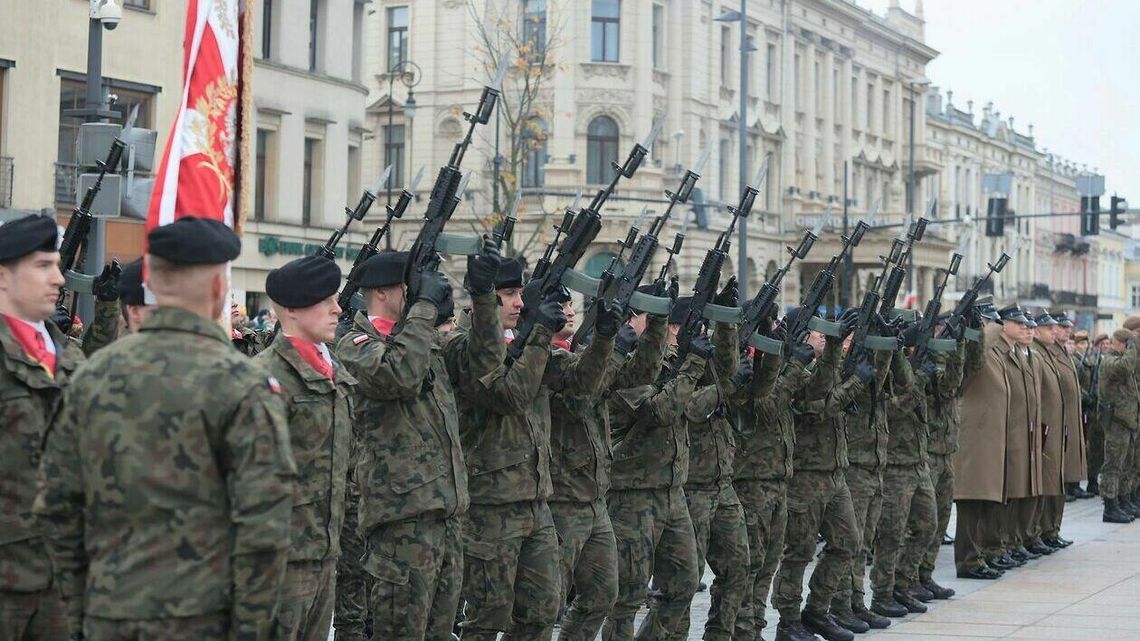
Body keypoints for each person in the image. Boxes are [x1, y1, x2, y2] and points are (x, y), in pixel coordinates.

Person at [34, 216, 296, 640]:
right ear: (217, 290)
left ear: (151, 280)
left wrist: (86, 606)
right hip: (205, 622)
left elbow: (57, 506)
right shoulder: (243, 385)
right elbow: (265, 530)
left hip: (108, 616)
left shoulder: (91, 375)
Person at [333, 245, 493, 641]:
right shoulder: (355, 344)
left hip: (446, 513)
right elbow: (398, 375)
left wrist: (484, 298)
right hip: (401, 520)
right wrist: (422, 307)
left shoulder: (424, 340)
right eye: (410, 289)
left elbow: (485, 359)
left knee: (441, 632)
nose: (420, 296)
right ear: (382, 294)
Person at [451, 257, 613, 641]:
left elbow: (579, 382)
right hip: (490, 504)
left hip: (536, 500)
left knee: (541, 611)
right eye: (509, 295)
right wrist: (539, 332)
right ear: (485, 301)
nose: (519, 303)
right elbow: (509, 395)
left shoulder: (526, 343)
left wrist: (604, 338)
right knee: (488, 616)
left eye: (522, 294)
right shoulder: (463, 346)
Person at [547, 288, 661, 641]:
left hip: (594, 494)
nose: (569, 310)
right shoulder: (541, 358)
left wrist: (656, 323)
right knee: (542, 608)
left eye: (570, 303)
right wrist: (610, 346)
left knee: (602, 596)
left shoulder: (582, 354)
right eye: (560, 304)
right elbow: (581, 396)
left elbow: (635, 377)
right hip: (561, 497)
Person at [255, 255, 356, 641]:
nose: (338, 309)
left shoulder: (333, 371)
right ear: (294, 309)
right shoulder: (267, 376)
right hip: (281, 557)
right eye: (326, 301)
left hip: (325, 551)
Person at [602, 295, 713, 641]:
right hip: (632, 493)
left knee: (684, 583)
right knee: (628, 596)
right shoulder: (631, 365)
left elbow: (714, 390)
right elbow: (661, 411)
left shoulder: (677, 362)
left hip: (671, 490)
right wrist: (692, 364)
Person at [0, 214, 81, 641]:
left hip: (65, 581)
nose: (59, 278)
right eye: (42, 266)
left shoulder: (69, 359)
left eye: (57, 265)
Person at [771, 316, 874, 641]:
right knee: (798, 552)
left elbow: (834, 386)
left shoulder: (826, 366)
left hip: (834, 472)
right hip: (805, 475)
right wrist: (853, 380)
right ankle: (788, 622)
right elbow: (817, 405)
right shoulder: (794, 370)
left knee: (848, 543)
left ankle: (817, 610)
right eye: (819, 334)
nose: (824, 338)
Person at [673, 279, 750, 641]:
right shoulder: (671, 363)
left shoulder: (704, 360)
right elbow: (690, 408)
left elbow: (729, 365)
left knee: (738, 567)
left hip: (722, 484)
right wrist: (720, 384)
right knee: (682, 582)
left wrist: (726, 322)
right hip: (691, 489)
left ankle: (720, 634)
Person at [732, 337, 815, 641]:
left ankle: (754, 627)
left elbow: (815, 390)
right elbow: (766, 407)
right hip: (752, 481)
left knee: (768, 563)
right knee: (750, 565)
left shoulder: (774, 366)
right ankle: (742, 631)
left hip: (778, 479)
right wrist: (788, 366)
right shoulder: (746, 366)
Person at [1098, 328, 1139, 523]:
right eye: (1129, 345)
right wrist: (1132, 347)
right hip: (1116, 421)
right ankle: (1110, 506)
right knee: (1113, 465)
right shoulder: (1110, 361)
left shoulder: (1124, 359)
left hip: (1127, 420)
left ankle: (1123, 499)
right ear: (1122, 343)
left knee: (1127, 464)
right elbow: (1125, 367)